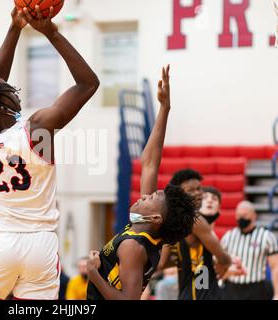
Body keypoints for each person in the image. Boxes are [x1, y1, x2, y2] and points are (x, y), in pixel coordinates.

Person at [0, 5, 99, 300]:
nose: (16, 92)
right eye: (11, 92)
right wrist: (51, 32)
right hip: (40, 247)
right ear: (5, 107)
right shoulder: (38, 130)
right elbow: (87, 83)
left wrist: (14, 29)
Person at [86, 65, 197, 300]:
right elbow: (149, 163)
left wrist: (94, 274)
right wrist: (164, 108)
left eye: (151, 198)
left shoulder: (133, 247)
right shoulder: (147, 234)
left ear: (156, 218)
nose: (144, 196)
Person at [158, 169, 244, 300]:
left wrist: (187, 260)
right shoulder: (195, 220)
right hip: (202, 293)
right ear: (179, 194)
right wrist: (224, 263)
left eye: (199, 189)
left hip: (187, 293)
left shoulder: (172, 221)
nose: (197, 193)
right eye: (191, 190)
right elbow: (224, 259)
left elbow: (162, 263)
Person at [221, 201, 278, 300]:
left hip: (256, 289)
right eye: (238, 215)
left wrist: (277, 294)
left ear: (254, 215)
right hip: (231, 289)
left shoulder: (266, 237)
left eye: (244, 215)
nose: (241, 218)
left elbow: (275, 267)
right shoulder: (228, 236)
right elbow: (220, 264)